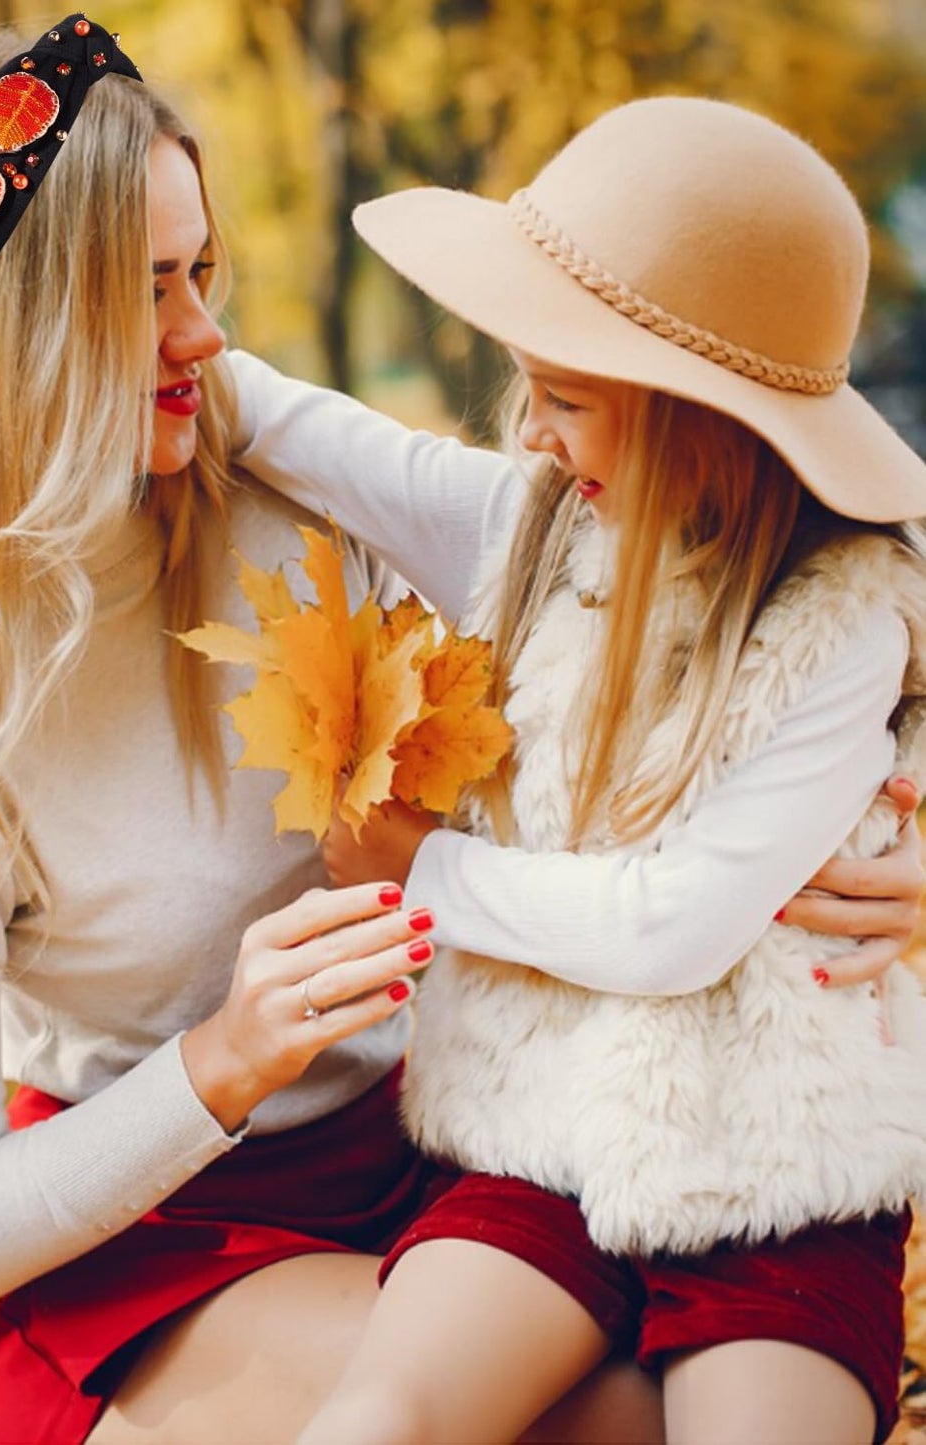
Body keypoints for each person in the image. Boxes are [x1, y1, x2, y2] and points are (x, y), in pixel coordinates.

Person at [0, 21, 925, 1445]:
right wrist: (224, 1055)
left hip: (461, 1144)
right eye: (145, 290)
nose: (205, 334)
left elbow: (714, 584)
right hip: (156, 1223)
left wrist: (883, 799)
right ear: (9, 330)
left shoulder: (281, 498)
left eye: (202, 270)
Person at [224, 99, 926, 1445]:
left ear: (696, 422)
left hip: (778, 1174)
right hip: (527, 1137)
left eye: (564, 399)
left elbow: (676, 923)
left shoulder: (839, 621)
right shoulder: (525, 531)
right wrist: (157, 322)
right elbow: (296, 428)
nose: (530, 430)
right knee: (386, 1409)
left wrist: (419, 872)